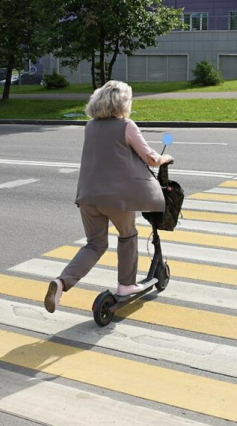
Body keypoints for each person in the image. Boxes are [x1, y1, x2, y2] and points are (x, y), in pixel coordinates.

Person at [44, 80, 174, 313]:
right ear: (124, 102)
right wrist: (167, 158)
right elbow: (151, 158)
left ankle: (62, 283)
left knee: (95, 244)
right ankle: (126, 285)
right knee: (128, 235)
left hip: (87, 196)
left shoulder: (90, 126)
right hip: (116, 199)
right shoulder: (126, 126)